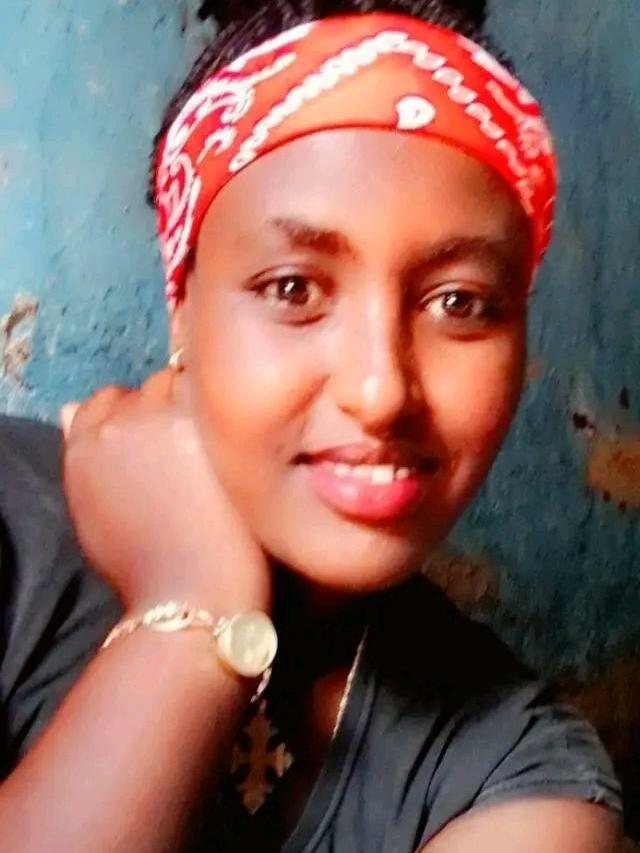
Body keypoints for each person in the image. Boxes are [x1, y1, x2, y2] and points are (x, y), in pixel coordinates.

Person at [0, 1, 624, 850]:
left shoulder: (519, 778)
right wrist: (192, 612)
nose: (381, 390)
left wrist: (195, 603)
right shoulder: (12, 530)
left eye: (460, 302)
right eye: (293, 289)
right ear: (182, 309)